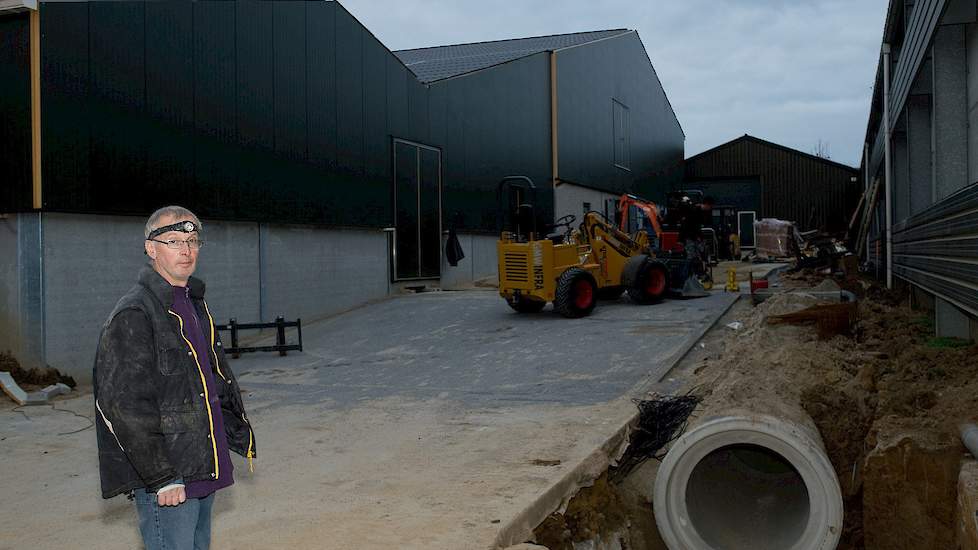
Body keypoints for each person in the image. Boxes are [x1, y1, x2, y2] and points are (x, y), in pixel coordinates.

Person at [93, 206, 255, 550]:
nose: (186, 250)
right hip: (169, 478)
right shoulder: (135, 312)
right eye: (173, 241)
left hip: (200, 461)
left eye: (193, 240)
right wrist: (162, 477)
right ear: (151, 249)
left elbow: (208, 380)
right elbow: (123, 404)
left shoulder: (194, 302)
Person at [677, 195, 715, 276]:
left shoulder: (705, 213)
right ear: (707, 205)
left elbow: (700, 225)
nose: (710, 208)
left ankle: (701, 272)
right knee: (691, 257)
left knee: (703, 253)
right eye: (710, 206)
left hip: (696, 236)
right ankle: (687, 275)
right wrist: (681, 239)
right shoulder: (693, 211)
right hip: (689, 236)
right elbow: (686, 225)